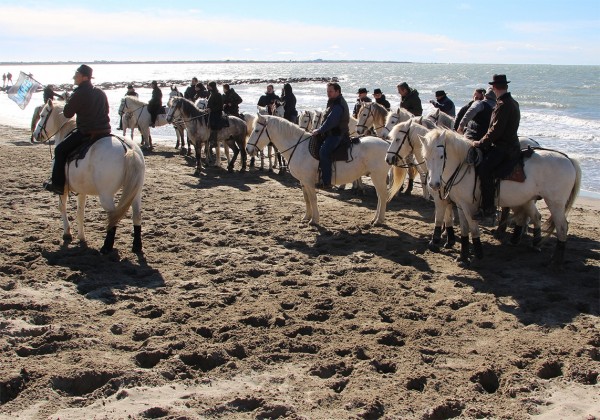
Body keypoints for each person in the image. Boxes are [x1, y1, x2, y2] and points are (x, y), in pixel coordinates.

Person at [43, 64, 110, 195]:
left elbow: (68, 113)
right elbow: (106, 110)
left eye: (77, 74)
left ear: (84, 77)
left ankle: (57, 185)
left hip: (86, 132)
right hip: (105, 132)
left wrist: (70, 101)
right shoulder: (100, 92)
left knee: (59, 150)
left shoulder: (79, 93)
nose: (74, 77)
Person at [472, 74, 520, 220]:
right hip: (511, 144)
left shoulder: (502, 104)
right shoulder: (512, 102)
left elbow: (496, 130)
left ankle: (488, 209)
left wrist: (481, 142)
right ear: (506, 86)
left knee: (484, 170)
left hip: (503, 148)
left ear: (493, 88)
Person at [311, 82, 350, 189]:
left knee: (323, 152)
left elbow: (331, 121)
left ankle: (327, 181)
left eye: (330, 91)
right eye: (327, 91)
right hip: (331, 133)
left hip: (337, 135)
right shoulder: (333, 101)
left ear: (338, 91)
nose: (328, 93)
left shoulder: (339, 104)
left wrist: (319, 130)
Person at [206, 81, 224, 154]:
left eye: (209, 86)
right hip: (210, 112)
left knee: (213, 124)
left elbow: (220, 106)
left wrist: (211, 109)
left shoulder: (218, 94)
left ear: (212, 86)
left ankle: (214, 142)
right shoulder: (211, 94)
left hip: (216, 113)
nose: (208, 87)